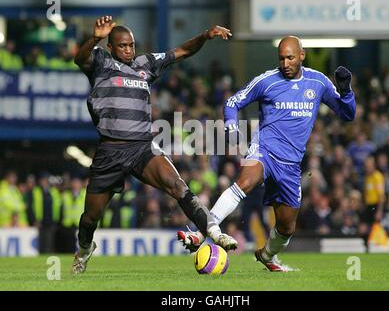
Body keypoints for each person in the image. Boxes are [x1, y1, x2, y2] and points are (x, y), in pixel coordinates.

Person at [72, 15, 237, 274]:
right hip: (110, 150)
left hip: (142, 147)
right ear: (111, 48)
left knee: (178, 186)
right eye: (123, 46)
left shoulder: (145, 64)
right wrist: (94, 37)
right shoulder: (100, 62)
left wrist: (205, 35)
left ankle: (215, 233)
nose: (128, 50)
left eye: (131, 45)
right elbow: (79, 58)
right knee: (90, 217)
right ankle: (84, 249)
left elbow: (181, 51)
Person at [178, 36, 356, 271]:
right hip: (265, 149)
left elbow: (347, 114)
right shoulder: (267, 81)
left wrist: (346, 91)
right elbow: (232, 102)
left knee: (286, 227)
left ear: (302, 56)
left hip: (291, 164)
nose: (285, 63)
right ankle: (202, 233)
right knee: (245, 181)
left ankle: (267, 255)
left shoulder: (318, 82)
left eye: (290, 58)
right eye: (281, 58)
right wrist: (232, 125)